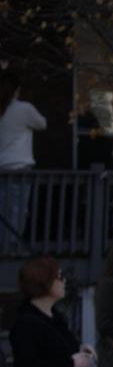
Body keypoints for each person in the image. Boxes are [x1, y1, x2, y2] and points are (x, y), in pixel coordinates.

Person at [0, 69, 47, 244]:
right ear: (17, 90)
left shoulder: (2, 110)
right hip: (19, 167)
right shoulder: (24, 109)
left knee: (3, 210)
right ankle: (11, 245)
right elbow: (42, 124)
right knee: (18, 210)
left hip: (2, 167)